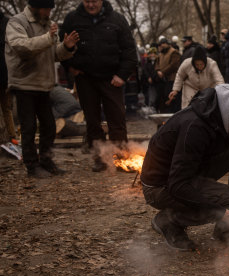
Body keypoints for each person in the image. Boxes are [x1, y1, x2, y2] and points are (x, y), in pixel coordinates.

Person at [141, 84, 229, 250]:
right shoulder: (195, 126)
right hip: (161, 187)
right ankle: (168, 220)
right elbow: (178, 184)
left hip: (190, 171)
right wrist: (225, 213)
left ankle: (224, 229)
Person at [61, 0, 138, 172]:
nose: (91, 5)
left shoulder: (117, 19)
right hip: (85, 78)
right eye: (87, 1)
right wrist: (70, 67)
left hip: (112, 78)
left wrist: (122, 74)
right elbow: (61, 47)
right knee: (92, 121)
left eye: (94, 1)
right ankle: (100, 158)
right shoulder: (72, 19)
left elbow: (129, 50)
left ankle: (121, 158)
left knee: (117, 119)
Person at [5, 0, 79, 177]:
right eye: (46, 8)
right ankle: (32, 165)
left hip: (44, 84)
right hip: (24, 83)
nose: (49, 12)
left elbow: (53, 54)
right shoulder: (17, 22)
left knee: (49, 126)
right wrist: (48, 38)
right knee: (29, 127)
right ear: (35, 7)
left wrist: (66, 47)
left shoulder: (48, 25)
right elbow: (21, 47)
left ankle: (46, 160)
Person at [0, 11, 18, 144]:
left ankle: (9, 138)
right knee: (7, 109)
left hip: (5, 74)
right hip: (6, 73)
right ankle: (12, 138)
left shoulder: (8, 23)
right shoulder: (8, 23)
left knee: (6, 108)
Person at [154, 38, 182, 113]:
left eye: (162, 44)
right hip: (162, 80)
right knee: (162, 99)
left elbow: (174, 65)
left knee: (171, 99)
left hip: (171, 80)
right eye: (160, 45)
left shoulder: (174, 52)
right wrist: (158, 71)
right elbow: (156, 64)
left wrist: (163, 72)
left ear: (167, 44)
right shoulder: (160, 54)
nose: (161, 46)